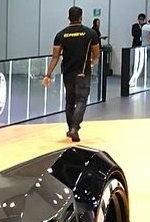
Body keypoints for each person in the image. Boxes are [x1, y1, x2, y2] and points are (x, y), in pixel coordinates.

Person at [43, 6, 100, 143]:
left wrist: (48, 74)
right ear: (81, 17)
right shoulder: (91, 33)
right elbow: (96, 54)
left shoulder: (61, 35)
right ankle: (74, 128)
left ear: (68, 18)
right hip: (83, 73)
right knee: (81, 100)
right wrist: (92, 63)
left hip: (68, 74)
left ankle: (71, 128)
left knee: (69, 102)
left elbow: (55, 57)